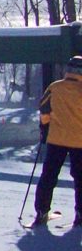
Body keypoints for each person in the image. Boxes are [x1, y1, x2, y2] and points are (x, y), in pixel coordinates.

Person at [32, 55, 82, 227]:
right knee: (80, 179)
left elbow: (44, 109)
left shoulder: (55, 87)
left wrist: (44, 128)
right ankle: (80, 214)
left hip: (56, 139)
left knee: (49, 176)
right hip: (79, 141)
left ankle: (42, 211)